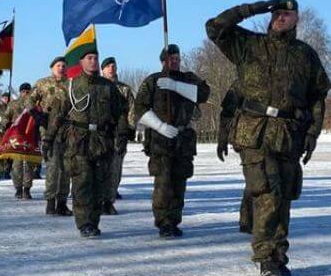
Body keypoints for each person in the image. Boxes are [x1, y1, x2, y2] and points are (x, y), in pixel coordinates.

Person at [205, 0, 331, 276]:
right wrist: (254, 8)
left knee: (283, 196)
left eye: (287, 14)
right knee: (267, 193)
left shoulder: (305, 55)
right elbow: (215, 28)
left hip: (288, 134)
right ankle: (265, 257)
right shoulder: (249, 45)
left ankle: (277, 255)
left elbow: (317, 98)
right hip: (253, 131)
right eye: (276, 13)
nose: (280, 18)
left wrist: (312, 133)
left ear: (298, 18)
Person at [42, 50, 131, 237]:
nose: (93, 62)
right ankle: (84, 223)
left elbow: (121, 112)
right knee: (82, 183)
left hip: (102, 141)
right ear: (81, 62)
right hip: (78, 141)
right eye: (89, 59)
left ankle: (94, 220)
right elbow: (57, 115)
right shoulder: (71, 86)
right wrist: (49, 139)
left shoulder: (108, 87)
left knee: (99, 184)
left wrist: (122, 134)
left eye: (96, 58)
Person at [133, 44, 211, 237]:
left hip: (182, 139)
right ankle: (163, 222)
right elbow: (139, 108)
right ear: (163, 61)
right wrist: (159, 126)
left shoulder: (188, 78)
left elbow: (203, 93)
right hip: (160, 139)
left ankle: (174, 220)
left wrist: (177, 86)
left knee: (179, 182)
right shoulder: (152, 81)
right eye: (170, 58)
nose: (174, 61)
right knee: (163, 183)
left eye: (177, 58)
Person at [36, 57, 72, 216]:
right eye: (58, 65)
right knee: (52, 167)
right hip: (49, 132)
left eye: (64, 66)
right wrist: (36, 115)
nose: (61, 68)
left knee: (66, 168)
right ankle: (50, 202)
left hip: (68, 131)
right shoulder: (42, 84)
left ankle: (62, 202)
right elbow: (29, 101)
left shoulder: (72, 84)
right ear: (52, 67)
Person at [217, 82, 254, 234]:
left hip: (274, 138)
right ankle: (248, 220)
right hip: (247, 139)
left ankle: (259, 219)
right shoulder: (244, 78)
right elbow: (227, 113)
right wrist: (222, 139)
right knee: (255, 179)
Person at [101, 56, 134, 212]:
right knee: (100, 165)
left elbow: (132, 110)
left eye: (113, 66)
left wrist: (131, 128)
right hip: (100, 133)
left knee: (116, 165)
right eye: (107, 66)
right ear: (102, 70)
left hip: (118, 132)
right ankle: (101, 194)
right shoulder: (98, 87)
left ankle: (111, 194)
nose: (111, 68)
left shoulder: (124, 89)